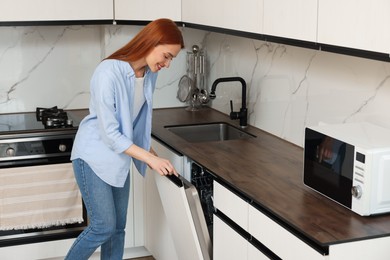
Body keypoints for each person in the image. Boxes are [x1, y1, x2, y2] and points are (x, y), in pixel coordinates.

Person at [65, 18, 184, 260]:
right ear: (152, 43)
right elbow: (110, 134)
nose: (168, 64)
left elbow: (136, 124)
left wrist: (152, 154)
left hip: (120, 159)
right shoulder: (108, 72)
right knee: (103, 226)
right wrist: (149, 159)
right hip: (92, 158)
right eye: (167, 55)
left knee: (118, 230)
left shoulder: (149, 74)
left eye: (172, 59)